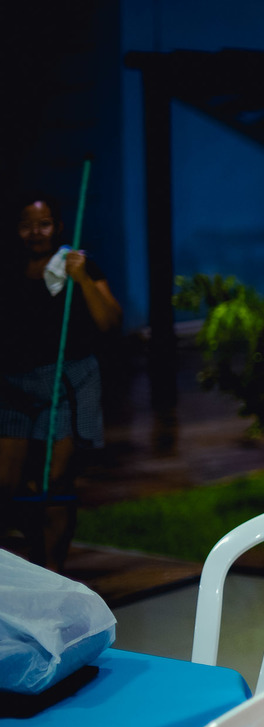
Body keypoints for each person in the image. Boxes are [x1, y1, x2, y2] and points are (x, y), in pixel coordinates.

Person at [1, 192, 122, 572]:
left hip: (67, 383)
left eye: (44, 224)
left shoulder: (76, 265)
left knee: (55, 484)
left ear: (58, 227)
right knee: (7, 486)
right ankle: (35, 553)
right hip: (15, 387)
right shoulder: (9, 268)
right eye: (26, 225)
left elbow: (109, 322)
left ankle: (53, 570)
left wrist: (81, 278)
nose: (35, 232)